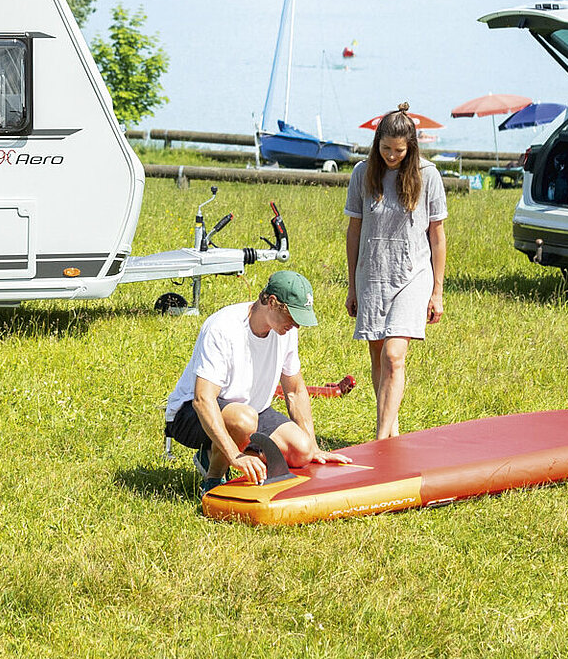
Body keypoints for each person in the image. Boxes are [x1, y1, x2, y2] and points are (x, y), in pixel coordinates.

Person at [163, 272, 352, 486]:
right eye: (292, 317)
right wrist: (234, 455)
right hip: (191, 415)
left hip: (252, 412)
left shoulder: (286, 331)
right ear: (271, 302)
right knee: (243, 420)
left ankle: (219, 452)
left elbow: (295, 391)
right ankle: (213, 478)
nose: (296, 325)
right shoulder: (223, 328)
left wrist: (314, 446)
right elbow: (202, 400)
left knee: (302, 451)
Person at [346, 103, 447, 441]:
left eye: (399, 151)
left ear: (411, 147)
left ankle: (380, 437)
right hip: (372, 271)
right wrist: (352, 286)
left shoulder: (427, 174)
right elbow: (354, 230)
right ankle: (391, 430)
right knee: (378, 356)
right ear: (377, 144)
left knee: (394, 354)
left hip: (413, 272)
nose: (391, 156)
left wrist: (437, 291)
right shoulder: (363, 173)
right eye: (386, 149)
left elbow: (436, 234)